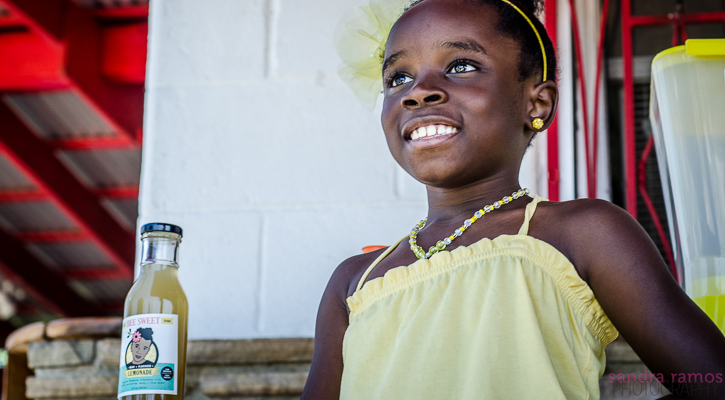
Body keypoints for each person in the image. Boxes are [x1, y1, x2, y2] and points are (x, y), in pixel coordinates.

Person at [301, 0, 725, 399]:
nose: (418, 91)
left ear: (536, 103)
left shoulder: (584, 233)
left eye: (461, 66)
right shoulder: (352, 283)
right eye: (399, 78)